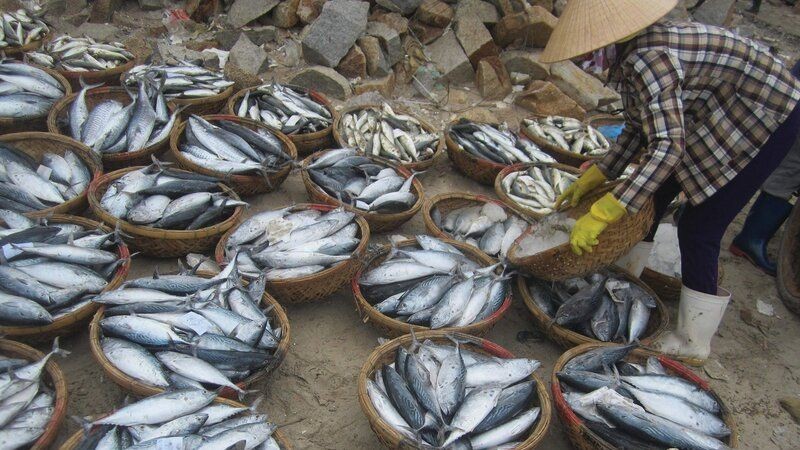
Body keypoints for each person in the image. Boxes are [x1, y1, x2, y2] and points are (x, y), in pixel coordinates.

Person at [540, 0, 800, 363]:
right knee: (653, 194)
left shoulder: (649, 60)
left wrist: (606, 210)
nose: (587, 60)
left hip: (763, 113)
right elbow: (639, 127)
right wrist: (602, 173)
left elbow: (667, 144)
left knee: (701, 224)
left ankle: (693, 341)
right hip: (715, 109)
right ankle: (625, 278)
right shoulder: (631, 55)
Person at [730, 60, 800, 277]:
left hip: (790, 91)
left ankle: (695, 209)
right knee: (790, 168)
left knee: (762, 150)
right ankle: (752, 239)